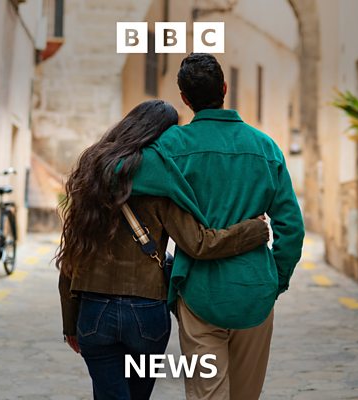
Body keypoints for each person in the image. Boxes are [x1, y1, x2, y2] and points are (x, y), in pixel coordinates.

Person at [56, 100, 270, 400]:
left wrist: (70, 322)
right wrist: (253, 230)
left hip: (94, 311)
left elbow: (71, 257)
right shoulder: (165, 185)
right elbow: (199, 243)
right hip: (146, 314)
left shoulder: (91, 179)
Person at [130, 54, 305, 400]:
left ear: (184, 98)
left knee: (206, 394)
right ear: (224, 89)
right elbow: (292, 228)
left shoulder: (170, 148)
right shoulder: (265, 147)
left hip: (199, 292)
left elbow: (124, 176)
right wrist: (275, 280)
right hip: (255, 291)